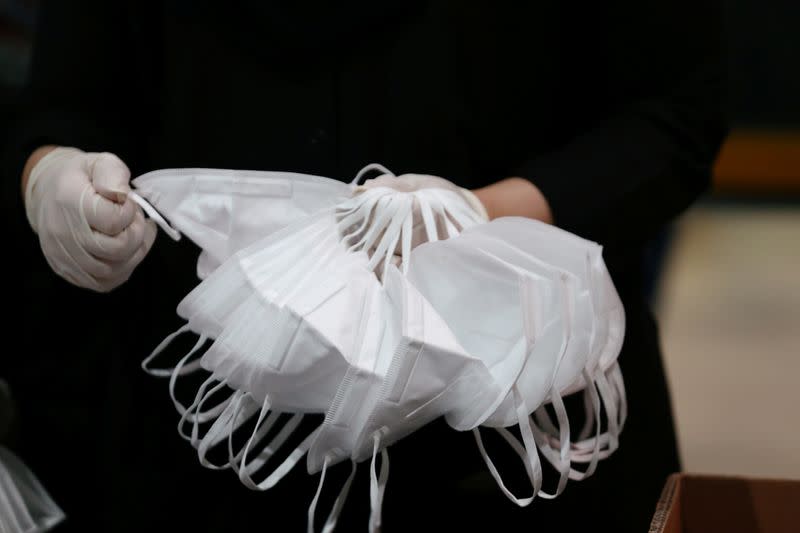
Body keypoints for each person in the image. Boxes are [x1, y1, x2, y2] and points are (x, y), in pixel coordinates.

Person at [2, 1, 727, 531]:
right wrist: (52, 176)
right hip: (205, 415)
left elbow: (674, 109)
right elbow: (71, 98)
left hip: (516, 405)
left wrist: (487, 213)